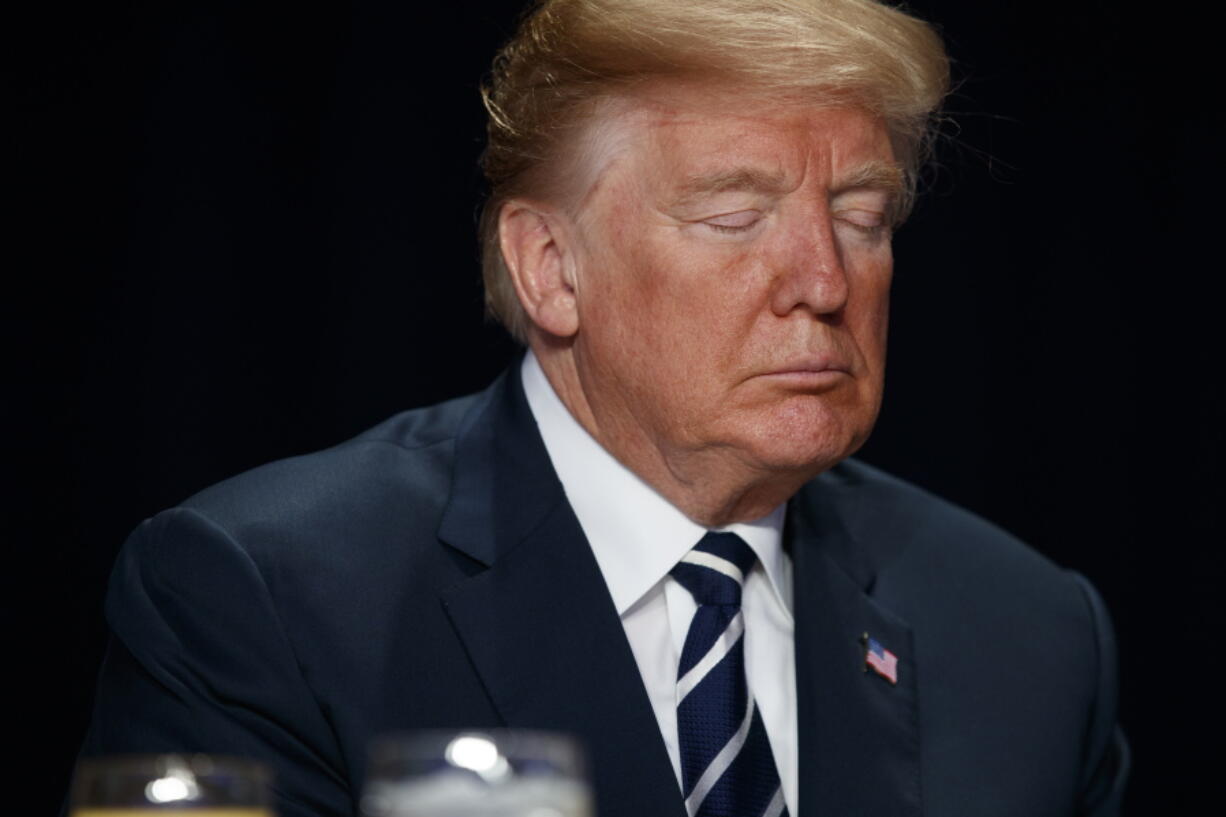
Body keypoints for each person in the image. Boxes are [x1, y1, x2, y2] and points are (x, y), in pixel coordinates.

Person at [76, 1, 1129, 815]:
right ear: (550, 269)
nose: (821, 278)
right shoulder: (262, 601)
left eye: (860, 215)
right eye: (732, 214)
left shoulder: (1023, 634)